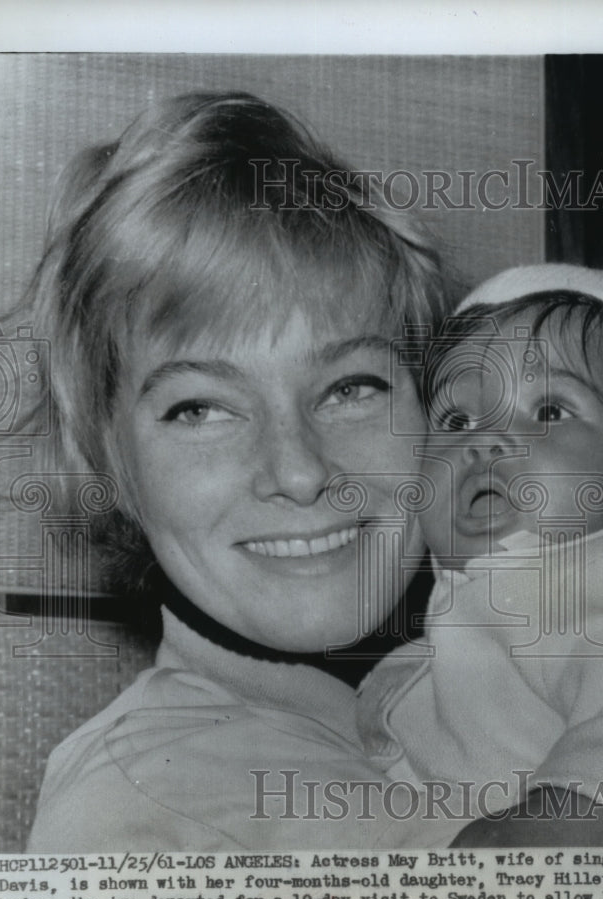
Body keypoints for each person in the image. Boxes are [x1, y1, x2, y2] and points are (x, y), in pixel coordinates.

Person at [23, 91, 456, 851]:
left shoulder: (525, 693)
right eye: (200, 409)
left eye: (351, 388)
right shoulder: (128, 817)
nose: (299, 472)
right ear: (107, 462)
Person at [357, 264, 603, 847]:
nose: (484, 441)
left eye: (550, 411)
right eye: (456, 419)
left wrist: (558, 828)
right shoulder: (423, 654)